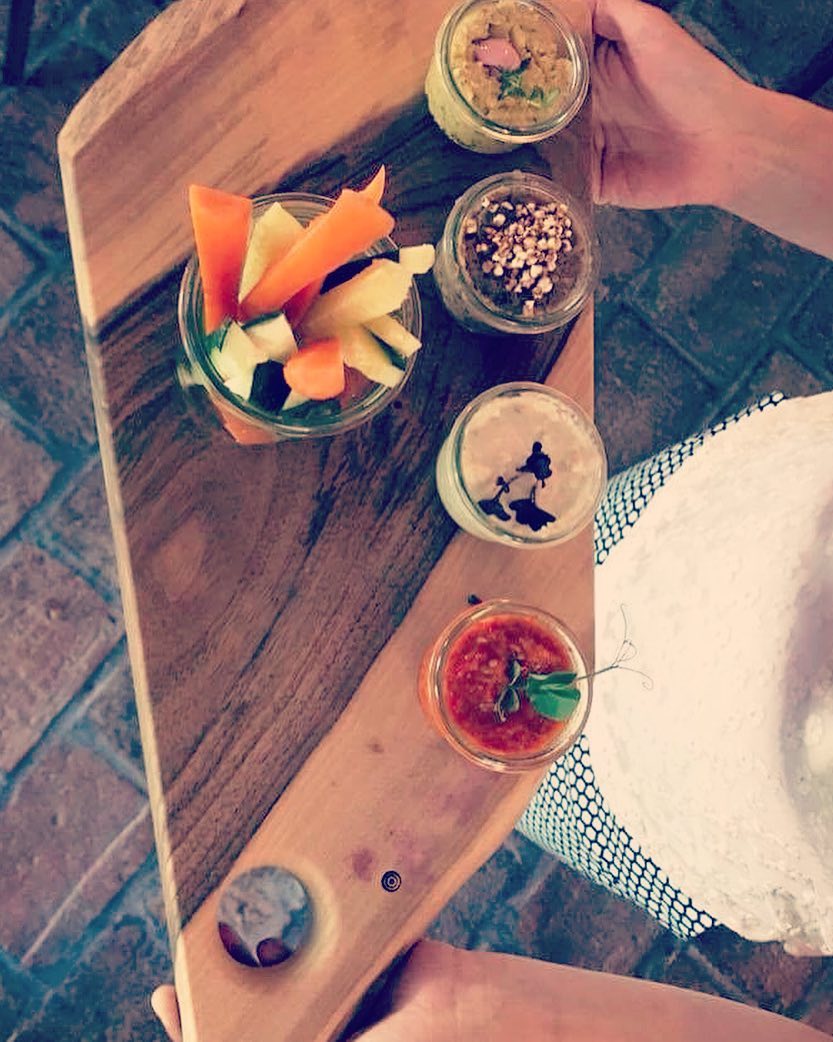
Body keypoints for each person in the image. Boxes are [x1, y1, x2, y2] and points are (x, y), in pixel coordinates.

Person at [152, 0, 833, 1036]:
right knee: (565, 571)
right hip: (727, 528)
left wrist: (509, 1012)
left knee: (521, 776)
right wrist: (742, 143)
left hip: (693, 783)